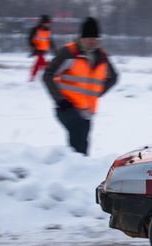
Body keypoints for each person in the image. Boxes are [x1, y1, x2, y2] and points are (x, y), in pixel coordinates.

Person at [43, 17, 118, 156]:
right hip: (67, 108)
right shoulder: (69, 52)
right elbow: (48, 75)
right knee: (78, 145)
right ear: (82, 38)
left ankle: (74, 168)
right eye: (89, 38)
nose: (93, 41)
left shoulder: (102, 57)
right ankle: (73, 170)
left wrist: (97, 93)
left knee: (82, 148)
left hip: (87, 111)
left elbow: (113, 77)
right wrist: (60, 100)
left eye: (95, 38)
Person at [28, 14, 56, 81]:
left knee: (38, 64)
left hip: (44, 50)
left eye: (48, 23)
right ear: (42, 23)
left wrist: (54, 49)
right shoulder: (35, 30)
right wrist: (33, 46)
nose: (48, 25)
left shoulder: (48, 31)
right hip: (37, 49)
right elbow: (30, 39)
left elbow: (50, 41)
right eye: (46, 23)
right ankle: (51, 74)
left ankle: (32, 78)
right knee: (42, 63)